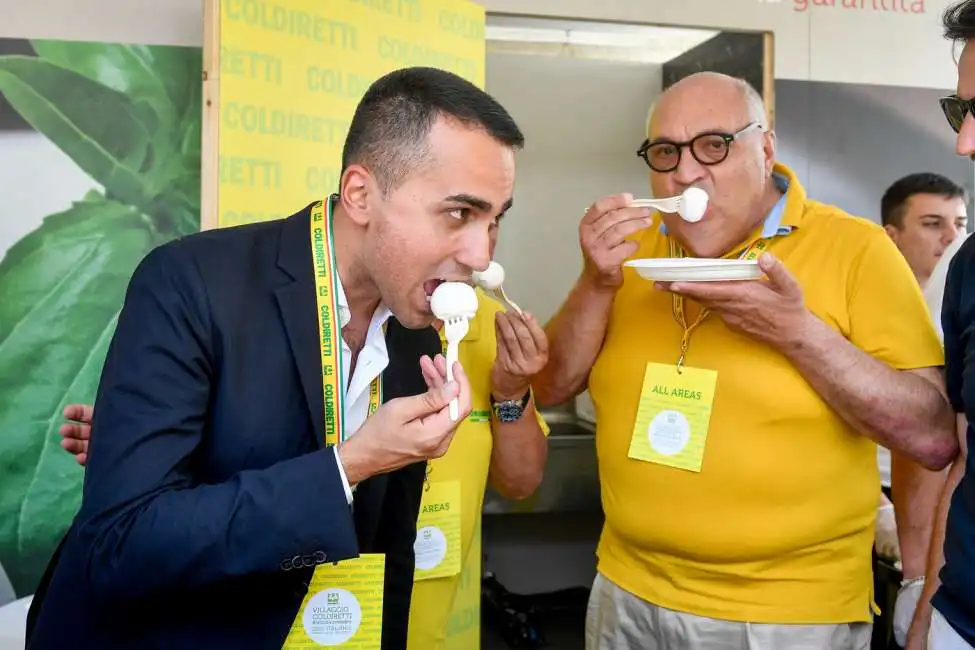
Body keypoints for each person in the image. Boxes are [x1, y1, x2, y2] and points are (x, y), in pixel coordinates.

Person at [25, 66, 525, 650]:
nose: (482, 255)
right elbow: (123, 541)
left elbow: (388, 545)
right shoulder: (191, 281)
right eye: (459, 213)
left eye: (496, 220)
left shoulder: (418, 324)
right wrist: (350, 464)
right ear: (361, 194)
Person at [534, 71, 957, 650]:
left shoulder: (857, 249)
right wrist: (596, 282)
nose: (685, 172)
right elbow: (551, 386)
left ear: (766, 148)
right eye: (665, 152)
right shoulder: (635, 250)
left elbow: (930, 433)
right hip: (626, 590)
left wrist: (797, 333)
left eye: (714, 145)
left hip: (788, 613)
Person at [56, 285, 551, 650]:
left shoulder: (493, 323)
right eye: (457, 215)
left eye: (492, 220)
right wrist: (155, 443)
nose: (474, 246)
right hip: (292, 604)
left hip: (432, 613)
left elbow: (521, 481)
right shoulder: (312, 313)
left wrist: (509, 393)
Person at [904, 3, 975, 648]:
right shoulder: (973, 266)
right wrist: (929, 605)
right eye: (962, 111)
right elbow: (962, 455)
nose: (964, 142)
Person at [880, 172, 968, 647]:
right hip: (889, 498)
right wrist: (918, 581)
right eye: (933, 223)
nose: (950, 235)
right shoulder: (964, 267)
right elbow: (939, 437)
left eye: (958, 222)